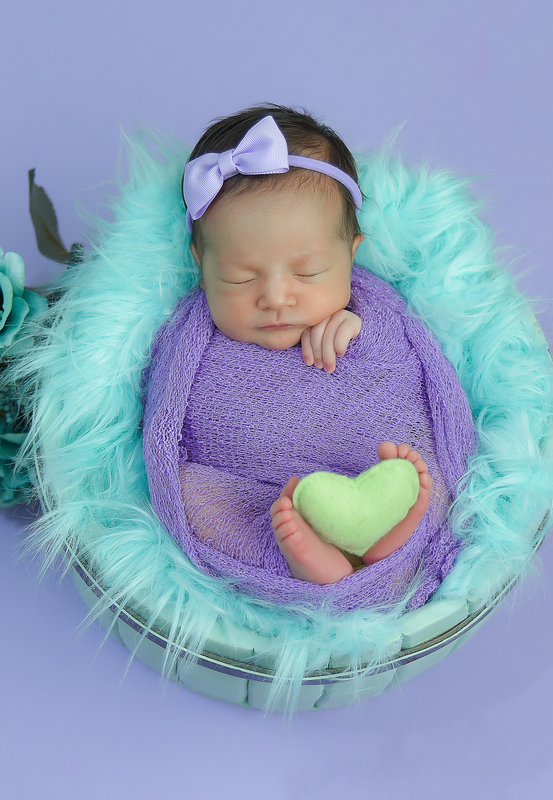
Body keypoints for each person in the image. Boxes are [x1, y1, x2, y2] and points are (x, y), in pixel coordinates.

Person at [175, 105, 439, 585]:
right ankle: (309, 561)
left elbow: (408, 371)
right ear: (201, 262)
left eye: (308, 272)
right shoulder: (190, 339)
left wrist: (361, 327)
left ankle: (388, 537)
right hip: (253, 492)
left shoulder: (369, 312)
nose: (276, 298)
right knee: (189, 492)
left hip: (364, 469)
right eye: (240, 277)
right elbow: (163, 417)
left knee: (418, 468)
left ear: (351, 255)